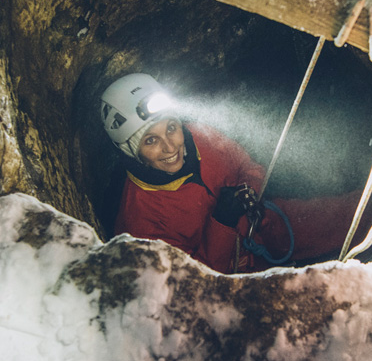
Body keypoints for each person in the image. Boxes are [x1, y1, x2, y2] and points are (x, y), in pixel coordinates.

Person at [100, 73, 353, 273]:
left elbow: (248, 165)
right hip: (232, 283)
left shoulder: (199, 136)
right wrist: (222, 223)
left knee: (350, 216)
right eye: (150, 141)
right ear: (132, 153)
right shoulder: (139, 224)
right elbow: (191, 286)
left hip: (262, 226)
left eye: (171, 128)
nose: (170, 146)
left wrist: (249, 192)